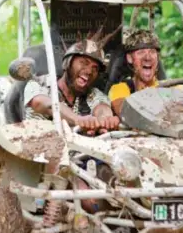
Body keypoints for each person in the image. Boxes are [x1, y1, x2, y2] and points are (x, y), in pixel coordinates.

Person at [23, 27, 120, 217]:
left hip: (80, 162)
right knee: (91, 200)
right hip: (39, 161)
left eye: (94, 68)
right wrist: (78, 120)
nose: (88, 71)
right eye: (83, 62)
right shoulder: (40, 84)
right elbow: (45, 104)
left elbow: (102, 107)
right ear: (68, 63)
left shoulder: (92, 94)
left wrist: (105, 119)